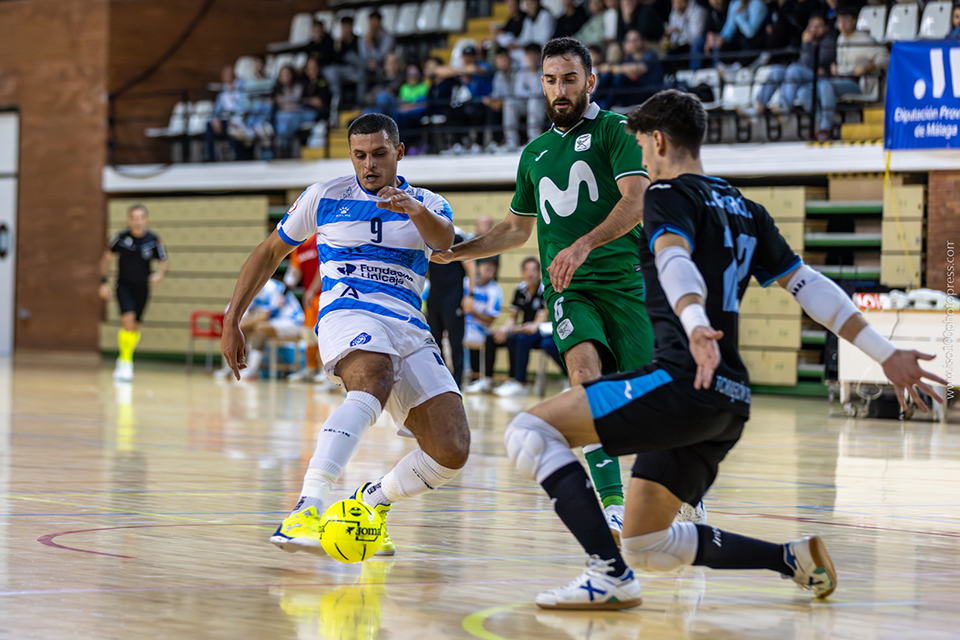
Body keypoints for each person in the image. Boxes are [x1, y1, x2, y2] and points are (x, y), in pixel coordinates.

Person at [500, 89, 947, 609]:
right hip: (729, 399)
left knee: (528, 432)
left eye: (643, 143)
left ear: (659, 140)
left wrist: (692, 322)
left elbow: (673, 261)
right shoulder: (745, 208)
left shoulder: (666, 195)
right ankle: (790, 559)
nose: (640, 156)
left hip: (682, 379)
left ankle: (606, 572)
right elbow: (809, 286)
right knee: (647, 543)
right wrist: (884, 351)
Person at [433, 38, 705, 541]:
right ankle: (615, 503)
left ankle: (687, 490)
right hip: (570, 291)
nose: (560, 90)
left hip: (627, 285)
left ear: (590, 81)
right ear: (541, 84)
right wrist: (458, 251)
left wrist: (582, 244)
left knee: (654, 401)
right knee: (585, 382)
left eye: (570, 79)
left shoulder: (616, 130)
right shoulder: (534, 153)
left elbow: (637, 201)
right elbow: (516, 230)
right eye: (551, 80)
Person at [222, 113, 471, 556]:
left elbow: (445, 244)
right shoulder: (325, 196)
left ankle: (369, 502)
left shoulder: (430, 202)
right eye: (359, 156)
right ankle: (307, 506)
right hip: (347, 310)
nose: (368, 165)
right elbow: (269, 252)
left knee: (452, 449)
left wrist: (412, 209)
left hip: (409, 324)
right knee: (372, 377)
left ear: (399, 151)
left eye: (378, 154)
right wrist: (232, 318)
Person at [100, 204, 168, 382]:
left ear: (145, 219)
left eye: (140, 218)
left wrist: (159, 274)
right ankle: (126, 362)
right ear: (129, 219)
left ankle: (123, 357)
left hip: (142, 287)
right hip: (124, 285)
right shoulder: (120, 239)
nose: (137, 221)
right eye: (133, 218)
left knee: (135, 326)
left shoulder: (153, 240)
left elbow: (164, 260)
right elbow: (106, 259)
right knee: (127, 321)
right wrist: (103, 282)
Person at [490, 257, 565, 397]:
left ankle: (522, 383)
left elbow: (539, 321)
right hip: (529, 331)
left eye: (534, 270)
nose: (530, 274)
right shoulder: (520, 289)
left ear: (539, 272)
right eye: (527, 271)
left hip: (546, 329)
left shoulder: (546, 289)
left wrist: (519, 328)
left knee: (530, 340)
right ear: (522, 273)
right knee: (509, 338)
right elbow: (513, 317)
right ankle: (513, 380)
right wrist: (504, 328)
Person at [750, 14, 835, 123]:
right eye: (811, 26)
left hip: (819, 78)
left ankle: (785, 107)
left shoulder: (828, 42)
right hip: (801, 75)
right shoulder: (809, 40)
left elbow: (813, 64)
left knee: (793, 69)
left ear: (826, 28)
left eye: (818, 26)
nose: (814, 29)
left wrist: (806, 44)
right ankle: (758, 109)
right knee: (777, 71)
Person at [820, 4, 888, 139]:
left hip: (856, 83)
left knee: (825, 86)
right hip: (840, 80)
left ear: (854, 21)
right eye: (839, 20)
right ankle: (828, 125)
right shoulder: (840, 39)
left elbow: (886, 57)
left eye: (845, 19)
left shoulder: (864, 39)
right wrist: (835, 67)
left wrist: (868, 68)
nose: (842, 23)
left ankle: (825, 129)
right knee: (807, 90)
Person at [222, 278, 305, 381]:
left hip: (293, 322)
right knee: (240, 330)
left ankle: (252, 370)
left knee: (260, 328)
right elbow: (241, 317)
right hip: (276, 321)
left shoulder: (271, 288)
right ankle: (231, 367)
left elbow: (264, 317)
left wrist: (238, 325)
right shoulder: (250, 290)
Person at [427, 230, 476, 388]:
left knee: (456, 342)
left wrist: (470, 295)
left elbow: (470, 266)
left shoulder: (457, 237)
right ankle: (440, 380)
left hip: (453, 298)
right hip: (434, 297)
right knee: (434, 341)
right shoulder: (428, 238)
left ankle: (458, 382)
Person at [284, 234, 324, 383]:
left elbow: (323, 267)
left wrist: (312, 289)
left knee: (322, 332)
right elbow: (294, 273)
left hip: (323, 294)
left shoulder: (319, 239)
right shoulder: (297, 247)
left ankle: (325, 371)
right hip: (309, 297)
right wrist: (285, 290)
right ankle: (310, 369)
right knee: (309, 334)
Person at [463, 259, 504, 391]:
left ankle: (476, 377)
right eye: (487, 268)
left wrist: (473, 312)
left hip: (480, 329)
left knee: (460, 339)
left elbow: (491, 320)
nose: (489, 272)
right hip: (462, 325)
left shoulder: (495, 290)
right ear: (479, 267)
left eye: (493, 269)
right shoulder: (466, 283)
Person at [605, 30, 664, 108]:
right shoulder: (629, 58)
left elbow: (637, 69)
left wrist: (612, 68)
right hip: (632, 92)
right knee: (607, 76)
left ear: (642, 41)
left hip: (647, 92)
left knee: (619, 77)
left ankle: (605, 107)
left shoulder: (650, 54)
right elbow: (615, 69)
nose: (632, 43)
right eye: (629, 41)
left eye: (635, 40)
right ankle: (596, 102)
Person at [506, 43, 547, 147]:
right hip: (524, 103)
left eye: (534, 55)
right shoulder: (521, 71)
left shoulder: (545, 71)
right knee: (509, 102)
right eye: (529, 55)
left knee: (534, 100)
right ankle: (511, 141)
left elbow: (541, 92)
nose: (532, 58)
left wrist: (533, 72)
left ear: (540, 56)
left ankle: (534, 139)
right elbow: (518, 92)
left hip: (543, 104)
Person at [206, 65, 248, 162]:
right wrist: (215, 119)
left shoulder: (241, 90)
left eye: (230, 74)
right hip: (224, 119)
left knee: (233, 128)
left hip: (237, 119)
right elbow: (216, 111)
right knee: (209, 125)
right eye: (225, 74)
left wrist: (234, 118)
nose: (228, 76)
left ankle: (238, 158)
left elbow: (243, 108)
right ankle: (211, 158)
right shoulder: (222, 94)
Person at [325, 16, 366, 111]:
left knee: (352, 58)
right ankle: (338, 101)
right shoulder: (338, 42)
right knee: (331, 71)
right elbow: (335, 61)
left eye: (348, 26)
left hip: (357, 68)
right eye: (344, 27)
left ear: (352, 27)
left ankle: (359, 102)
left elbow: (362, 58)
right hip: (343, 70)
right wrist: (337, 48)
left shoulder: (358, 40)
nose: (346, 29)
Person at [715, 0, 768, 65]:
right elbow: (729, 27)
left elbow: (750, 32)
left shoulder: (757, 4)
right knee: (723, 46)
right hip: (741, 41)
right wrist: (721, 38)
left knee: (746, 43)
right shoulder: (735, 3)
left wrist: (738, 15)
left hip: (756, 40)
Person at [662, 0, 708, 72]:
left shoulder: (697, 12)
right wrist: (668, 37)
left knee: (695, 45)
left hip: (695, 45)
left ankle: (693, 74)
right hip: (681, 45)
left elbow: (695, 37)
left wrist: (679, 31)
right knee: (668, 51)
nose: (673, 2)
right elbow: (674, 38)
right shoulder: (674, 12)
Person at [271, 65, 305, 158]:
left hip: (296, 113)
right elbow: (277, 102)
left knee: (291, 117)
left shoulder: (298, 87)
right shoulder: (277, 89)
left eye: (287, 74)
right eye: (283, 74)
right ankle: (283, 141)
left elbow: (297, 101)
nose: (285, 77)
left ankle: (284, 139)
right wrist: (287, 106)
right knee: (282, 117)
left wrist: (285, 105)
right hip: (282, 115)